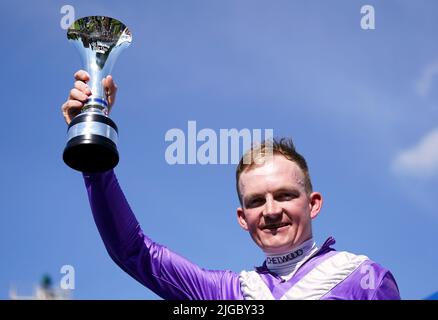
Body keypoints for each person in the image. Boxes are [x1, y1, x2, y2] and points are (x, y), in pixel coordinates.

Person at [61, 70, 401, 300]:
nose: (270, 211)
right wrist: (94, 151)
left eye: (284, 195)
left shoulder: (363, 277)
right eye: (256, 201)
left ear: (313, 203)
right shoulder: (229, 293)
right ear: (242, 217)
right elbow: (134, 251)